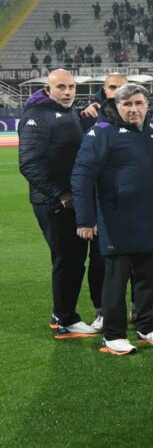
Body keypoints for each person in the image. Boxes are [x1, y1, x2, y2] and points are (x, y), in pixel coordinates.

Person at [71, 83, 153, 355]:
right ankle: (113, 335)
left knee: (147, 275)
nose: (133, 109)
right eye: (127, 104)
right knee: (116, 281)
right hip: (117, 217)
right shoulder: (102, 132)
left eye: (138, 103)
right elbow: (82, 174)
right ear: (117, 107)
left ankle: (145, 326)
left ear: (147, 104)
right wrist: (85, 219)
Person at [19, 69, 104, 336]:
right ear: (47, 90)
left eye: (71, 87)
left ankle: (62, 314)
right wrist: (60, 194)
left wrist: (86, 112)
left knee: (73, 258)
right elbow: (29, 164)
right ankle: (65, 318)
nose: (67, 92)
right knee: (67, 259)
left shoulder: (68, 112)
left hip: (70, 200)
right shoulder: (36, 116)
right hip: (54, 202)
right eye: (61, 87)